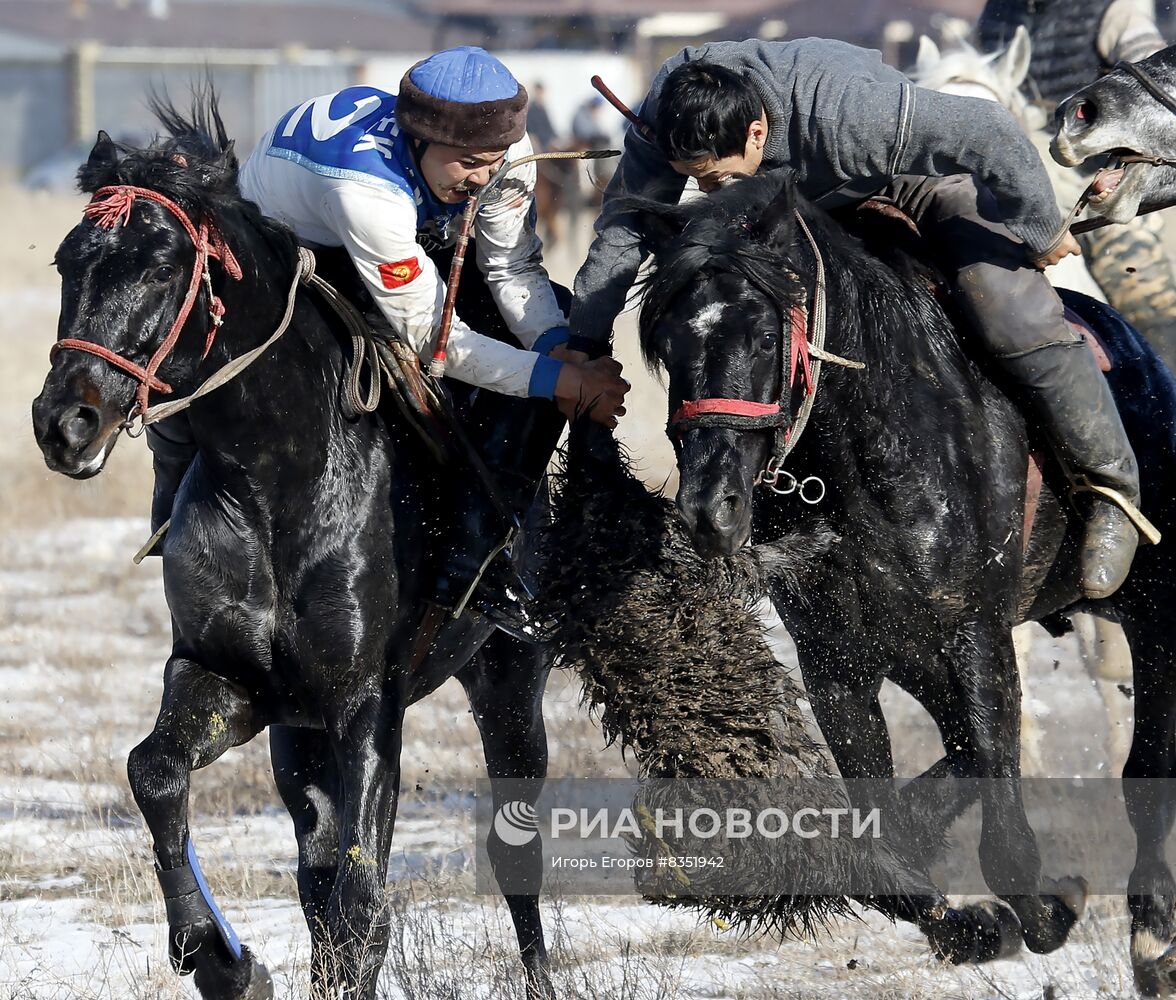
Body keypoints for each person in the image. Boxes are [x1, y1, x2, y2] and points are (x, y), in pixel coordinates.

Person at [567, 40, 1143, 600]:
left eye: (717, 178)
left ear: (758, 133)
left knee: (1010, 310)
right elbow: (622, 235)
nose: (712, 191)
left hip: (910, 181)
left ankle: (1110, 491)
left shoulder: (851, 115)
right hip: (790, 207)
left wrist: (1041, 228)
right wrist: (585, 344)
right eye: (697, 180)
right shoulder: (668, 114)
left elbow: (990, 130)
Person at [147, 47, 629, 630]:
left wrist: (558, 348)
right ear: (418, 140)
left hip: (405, 230)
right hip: (287, 248)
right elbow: (436, 341)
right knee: (202, 357)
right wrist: (558, 380)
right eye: (468, 163)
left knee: (554, 325)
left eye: (494, 161)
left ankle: (482, 551)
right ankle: (176, 498)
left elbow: (509, 269)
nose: (482, 179)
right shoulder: (366, 187)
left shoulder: (504, 159)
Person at [527, 81, 558, 151]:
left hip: (548, 141)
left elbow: (550, 128)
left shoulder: (543, 109)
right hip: (540, 144)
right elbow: (531, 131)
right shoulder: (531, 110)